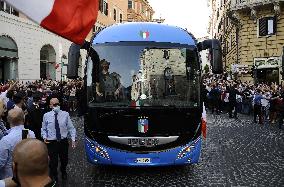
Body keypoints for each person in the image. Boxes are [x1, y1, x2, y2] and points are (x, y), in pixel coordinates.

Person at [41, 98, 76, 181]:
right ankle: (54, 174)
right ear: (50, 106)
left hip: (63, 141)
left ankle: (63, 171)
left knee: (64, 160)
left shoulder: (65, 114)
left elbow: (71, 128)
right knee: (53, 162)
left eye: (58, 104)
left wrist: (73, 139)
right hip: (51, 142)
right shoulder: (46, 115)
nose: (57, 106)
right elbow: (44, 129)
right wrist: (44, 137)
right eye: (54, 104)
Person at [0, 108, 35, 179]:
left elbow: (1, 164)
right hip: (27, 176)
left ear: (8, 120)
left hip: (10, 178)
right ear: (24, 119)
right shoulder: (31, 133)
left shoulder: (6, 140)